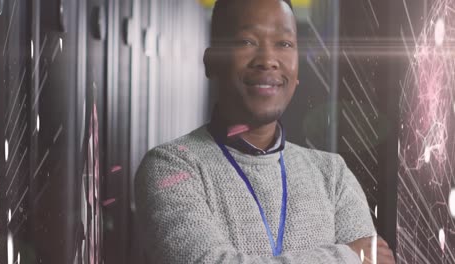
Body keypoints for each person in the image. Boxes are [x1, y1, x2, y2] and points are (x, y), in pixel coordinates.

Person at [135, 0, 396, 263]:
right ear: (212, 62)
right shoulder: (171, 167)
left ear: (297, 71)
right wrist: (347, 256)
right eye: (247, 41)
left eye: (283, 44)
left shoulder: (332, 175)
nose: (268, 60)